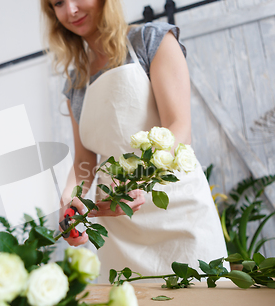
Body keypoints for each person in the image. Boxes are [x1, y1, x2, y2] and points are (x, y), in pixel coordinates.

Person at [41, 0, 229, 282]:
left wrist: (134, 179)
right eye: (58, 3)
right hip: (119, 229)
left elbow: (180, 128)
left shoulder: (151, 40)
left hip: (179, 213)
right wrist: (71, 199)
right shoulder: (76, 83)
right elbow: (84, 160)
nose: (70, 11)